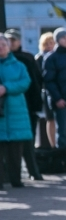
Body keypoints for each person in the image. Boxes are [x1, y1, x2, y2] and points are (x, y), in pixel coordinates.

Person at [6, 29, 43, 180]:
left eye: (13, 40)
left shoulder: (27, 59)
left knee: (28, 141)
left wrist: (35, 105)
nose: (11, 43)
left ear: (19, 41)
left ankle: (33, 171)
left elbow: (35, 82)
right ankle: (11, 174)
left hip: (27, 106)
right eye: (8, 40)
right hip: (7, 107)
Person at [0, 34, 33, 188]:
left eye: (3, 44)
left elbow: (25, 82)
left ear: (8, 46)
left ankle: (16, 179)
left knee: (15, 151)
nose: (1, 47)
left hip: (15, 110)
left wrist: (6, 88)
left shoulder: (19, 65)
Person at [36, 32, 57, 149]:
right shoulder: (39, 58)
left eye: (51, 43)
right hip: (45, 91)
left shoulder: (57, 57)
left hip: (57, 91)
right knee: (50, 119)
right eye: (47, 44)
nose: (49, 46)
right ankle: (52, 145)